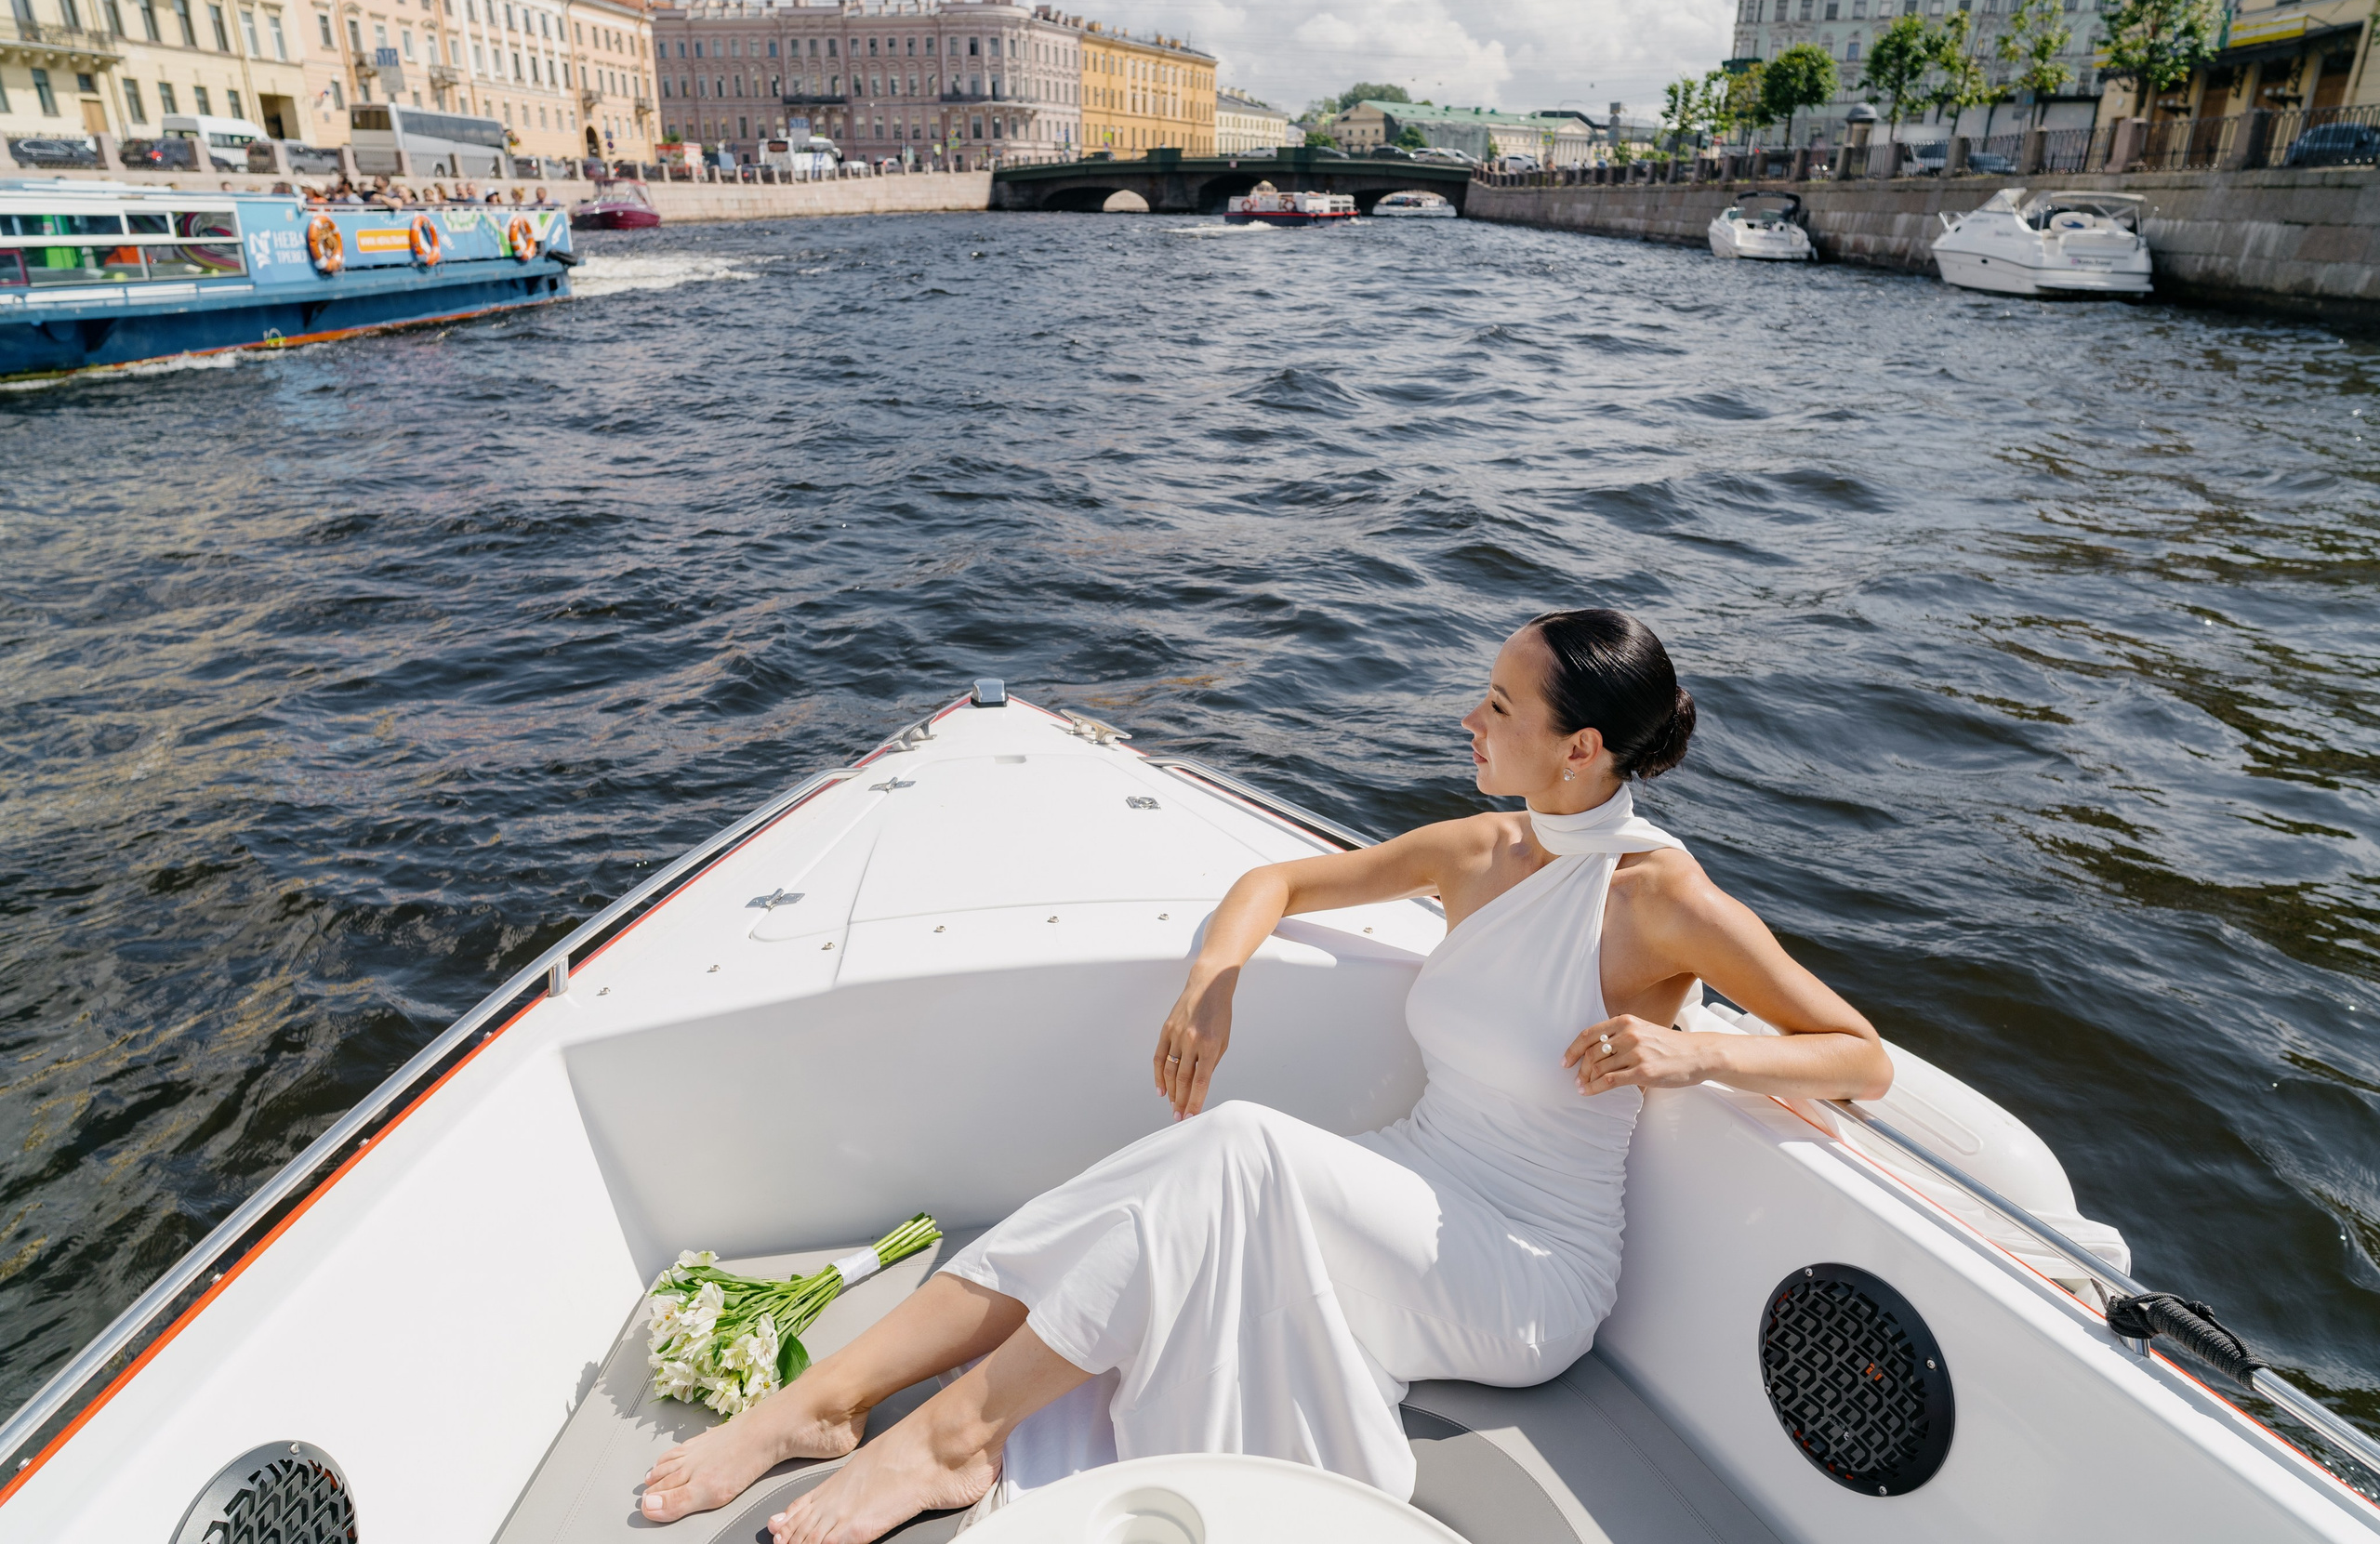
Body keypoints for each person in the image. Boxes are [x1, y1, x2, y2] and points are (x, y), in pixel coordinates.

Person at [638, 610, 1893, 1544]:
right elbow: (1275, 884)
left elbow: (1860, 1057)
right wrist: (1215, 979)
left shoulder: (1662, 900)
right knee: (1163, 1170)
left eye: (1497, 707)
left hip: (1526, 1272)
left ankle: (957, 1434)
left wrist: (1697, 1051)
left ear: (1576, 749)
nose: (1468, 717)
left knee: (1232, 1149)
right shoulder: (1483, 847)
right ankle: (827, 1399)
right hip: (1414, 1184)